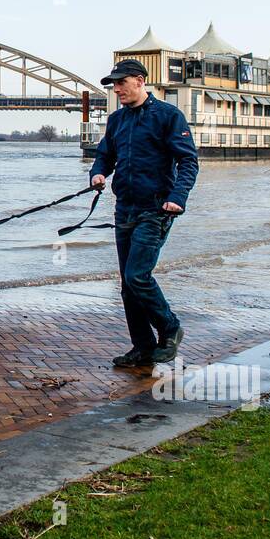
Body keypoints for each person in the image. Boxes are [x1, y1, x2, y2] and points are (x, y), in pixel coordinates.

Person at [89, 58, 199, 368]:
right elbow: (104, 156)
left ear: (139, 80)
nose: (117, 89)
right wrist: (98, 174)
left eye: (121, 82)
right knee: (127, 284)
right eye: (114, 85)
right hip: (124, 207)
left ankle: (170, 328)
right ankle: (142, 346)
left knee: (138, 276)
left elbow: (189, 163)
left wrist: (177, 197)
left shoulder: (168, 117)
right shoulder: (116, 120)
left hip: (156, 208)